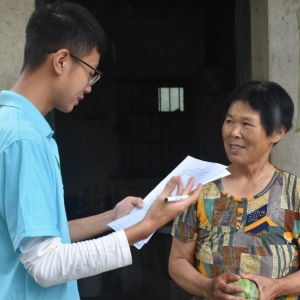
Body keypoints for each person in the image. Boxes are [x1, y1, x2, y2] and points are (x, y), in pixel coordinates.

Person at [0, 2, 203, 299]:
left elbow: (38, 237)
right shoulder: (24, 139)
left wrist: (112, 217)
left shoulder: (16, 126)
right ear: (61, 61)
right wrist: (147, 225)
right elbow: (45, 264)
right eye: (91, 72)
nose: (90, 86)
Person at [168, 81, 300, 300]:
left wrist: (277, 287)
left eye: (246, 124)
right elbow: (178, 261)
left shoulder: (294, 193)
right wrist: (207, 287)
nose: (233, 132)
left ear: (277, 132)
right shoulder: (200, 190)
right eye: (229, 121)